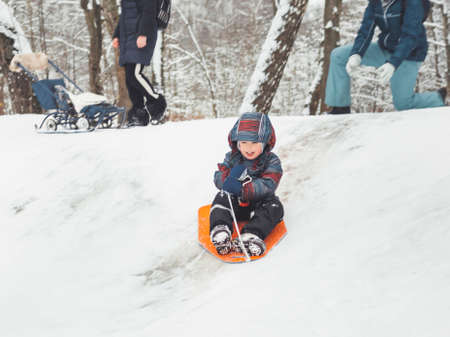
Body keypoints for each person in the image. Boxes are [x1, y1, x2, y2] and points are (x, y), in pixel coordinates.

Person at [325, 0, 447, 114]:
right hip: (385, 48)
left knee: (403, 104)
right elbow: (365, 30)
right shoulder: (375, 2)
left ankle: (442, 96)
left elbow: (410, 36)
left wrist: (393, 63)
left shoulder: (413, 2)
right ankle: (340, 108)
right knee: (339, 56)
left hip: (408, 54)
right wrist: (356, 54)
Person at [209, 112, 284, 257]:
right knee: (222, 197)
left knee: (275, 207)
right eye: (244, 143)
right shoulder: (232, 157)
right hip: (236, 204)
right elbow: (218, 174)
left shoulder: (271, 161)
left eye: (254, 143)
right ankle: (221, 231)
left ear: (265, 142)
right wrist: (226, 179)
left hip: (259, 203)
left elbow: (269, 183)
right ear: (237, 142)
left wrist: (246, 189)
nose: (249, 148)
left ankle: (250, 235)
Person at [112, 0, 167, 126]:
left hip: (141, 35)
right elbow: (125, 15)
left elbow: (149, 11)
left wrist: (143, 34)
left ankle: (157, 102)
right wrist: (117, 35)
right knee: (129, 78)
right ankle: (138, 113)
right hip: (128, 38)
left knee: (135, 74)